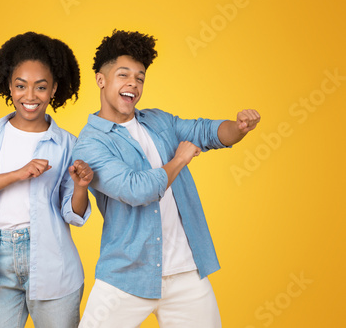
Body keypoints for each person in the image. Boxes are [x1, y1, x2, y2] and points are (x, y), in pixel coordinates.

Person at [72, 30, 261, 327]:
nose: (133, 84)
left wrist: (238, 128)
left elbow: (206, 132)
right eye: (123, 75)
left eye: (140, 77)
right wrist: (179, 160)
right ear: (101, 79)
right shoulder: (89, 144)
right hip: (126, 275)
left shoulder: (159, 121)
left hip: (186, 272)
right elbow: (136, 190)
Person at [0, 31, 93, 328]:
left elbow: (75, 214)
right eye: (21, 86)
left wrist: (81, 186)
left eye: (41, 87)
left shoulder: (68, 144)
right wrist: (18, 174)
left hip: (53, 263)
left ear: (54, 89)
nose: (30, 97)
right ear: (9, 86)